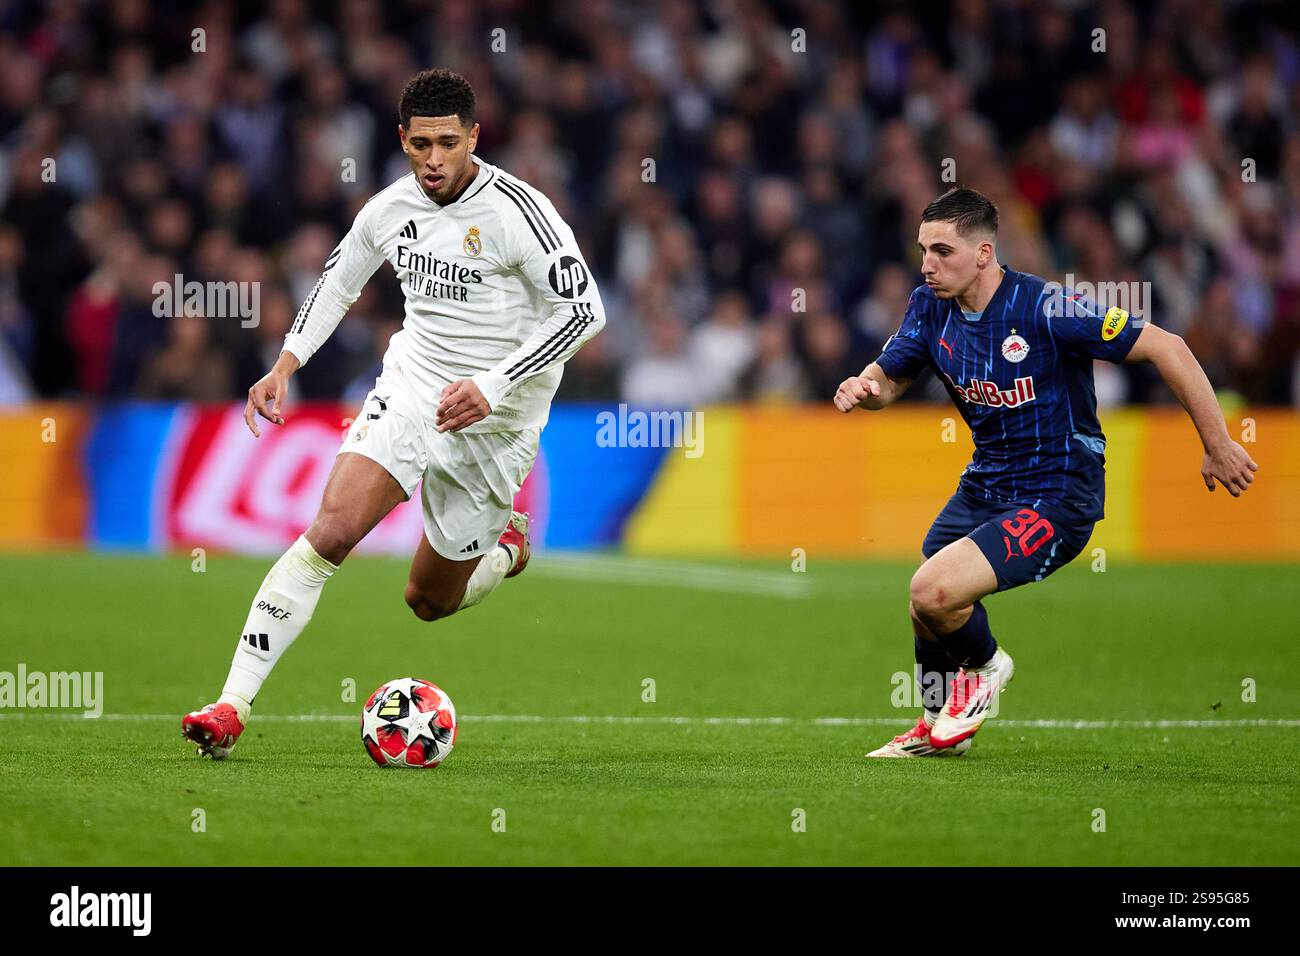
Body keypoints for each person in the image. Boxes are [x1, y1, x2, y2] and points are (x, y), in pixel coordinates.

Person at [182, 68, 605, 759]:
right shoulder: (390, 209)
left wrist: (494, 386)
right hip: (411, 389)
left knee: (428, 601)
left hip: (495, 424)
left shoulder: (522, 214)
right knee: (332, 530)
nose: (433, 160)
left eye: (447, 143)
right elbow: (338, 281)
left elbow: (585, 312)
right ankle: (230, 705)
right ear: (401, 139)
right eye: (420, 145)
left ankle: (505, 548)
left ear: (474, 136)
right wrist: (286, 364)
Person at [834, 187, 1257, 757]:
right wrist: (865, 387)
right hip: (986, 485)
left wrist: (1218, 442)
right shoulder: (929, 305)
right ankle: (935, 728)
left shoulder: (1047, 307)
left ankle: (986, 668)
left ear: (984, 253)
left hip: (1058, 495)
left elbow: (1167, 346)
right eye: (923, 250)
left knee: (932, 591)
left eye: (942, 252)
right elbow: (890, 378)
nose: (928, 265)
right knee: (926, 603)